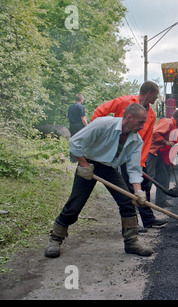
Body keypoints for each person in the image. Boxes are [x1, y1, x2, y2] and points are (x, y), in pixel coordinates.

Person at [45, 103, 154, 258]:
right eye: (141, 122)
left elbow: (134, 169)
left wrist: (138, 192)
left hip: (109, 168)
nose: (142, 126)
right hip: (88, 163)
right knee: (75, 204)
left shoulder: (136, 141)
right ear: (129, 117)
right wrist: (83, 165)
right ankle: (55, 238)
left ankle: (131, 242)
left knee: (128, 202)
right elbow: (74, 142)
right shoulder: (103, 124)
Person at [91, 81, 166, 230]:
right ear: (149, 93)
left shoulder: (151, 114)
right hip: (116, 150)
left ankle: (148, 219)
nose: (157, 98)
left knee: (142, 185)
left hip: (134, 153)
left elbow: (147, 139)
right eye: (156, 94)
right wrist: (102, 136)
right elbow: (99, 112)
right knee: (127, 188)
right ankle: (132, 223)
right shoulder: (125, 102)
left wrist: (141, 160)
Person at [146, 109, 178, 207]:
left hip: (158, 153)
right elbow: (155, 133)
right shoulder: (167, 122)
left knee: (163, 177)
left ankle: (161, 201)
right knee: (149, 176)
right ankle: (144, 203)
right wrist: (166, 142)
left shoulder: (173, 127)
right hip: (151, 151)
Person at [67, 94, 88, 162]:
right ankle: (80, 158)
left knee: (73, 141)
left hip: (72, 125)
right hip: (79, 126)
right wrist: (87, 126)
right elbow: (83, 118)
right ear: (81, 99)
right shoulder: (81, 107)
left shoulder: (70, 107)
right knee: (80, 142)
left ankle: (72, 159)